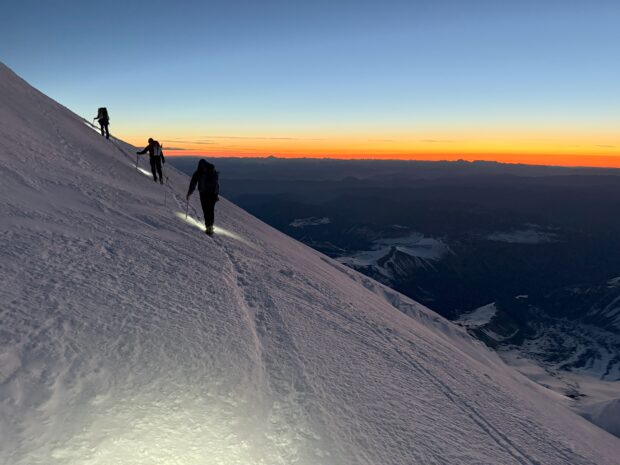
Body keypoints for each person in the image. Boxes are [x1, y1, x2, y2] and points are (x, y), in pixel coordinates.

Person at [187, 159, 219, 235]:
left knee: (206, 210)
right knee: (210, 210)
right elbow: (217, 185)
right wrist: (216, 195)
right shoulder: (213, 171)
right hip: (213, 194)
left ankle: (208, 227)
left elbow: (193, 183)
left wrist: (189, 193)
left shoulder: (198, 172)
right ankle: (210, 227)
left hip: (204, 194)